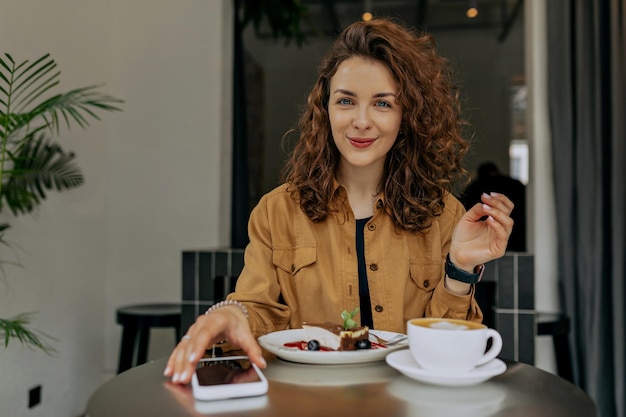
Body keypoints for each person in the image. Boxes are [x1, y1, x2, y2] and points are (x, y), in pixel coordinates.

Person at [164, 18, 513, 384]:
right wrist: (230, 314)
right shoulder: (276, 211)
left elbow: (450, 351)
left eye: (382, 103)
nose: (361, 121)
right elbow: (256, 308)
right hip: (306, 403)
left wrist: (459, 268)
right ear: (325, 109)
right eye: (346, 100)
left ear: (407, 115)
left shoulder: (445, 215)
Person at [461, 162, 526, 251]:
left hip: (483, 237)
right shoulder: (516, 185)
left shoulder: (475, 187)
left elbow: (464, 207)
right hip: (517, 236)